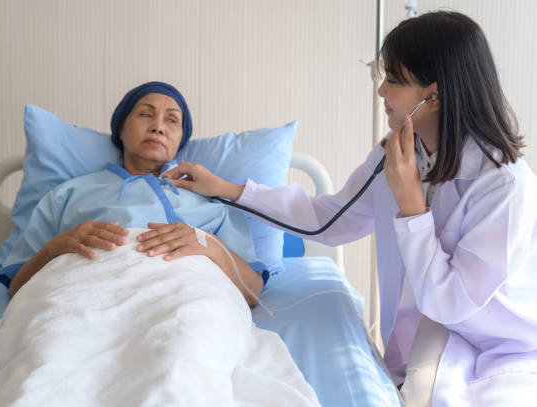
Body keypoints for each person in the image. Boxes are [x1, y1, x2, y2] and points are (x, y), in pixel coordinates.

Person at [162, 11, 537, 407]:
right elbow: (328, 219)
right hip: (435, 337)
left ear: (434, 96)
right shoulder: (397, 156)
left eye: (393, 80)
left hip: (504, 345)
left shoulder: (503, 185)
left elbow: (450, 301)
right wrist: (227, 189)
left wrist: (411, 207)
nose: (381, 93)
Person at [0, 81, 264, 306]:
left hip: (185, 302)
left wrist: (209, 246)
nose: (158, 127)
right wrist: (56, 248)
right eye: (146, 115)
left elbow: (252, 291)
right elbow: (17, 287)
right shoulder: (67, 195)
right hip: (82, 301)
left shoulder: (211, 203)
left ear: (180, 141)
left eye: (172, 120)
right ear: (121, 129)